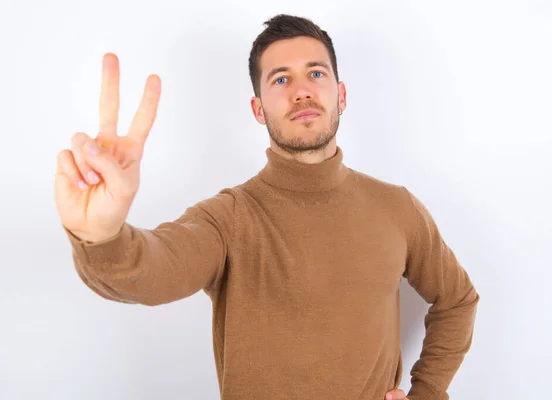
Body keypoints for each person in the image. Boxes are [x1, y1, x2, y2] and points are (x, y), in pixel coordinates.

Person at [54, 14, 479, 400]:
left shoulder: (396, 207)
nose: (301, 91)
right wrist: (102, 237)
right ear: (258, 109)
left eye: (316, 72)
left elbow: (457, 300)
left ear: (341, 93)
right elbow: (155, 270)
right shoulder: (228, 218)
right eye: (280, 80)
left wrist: (427, 393)